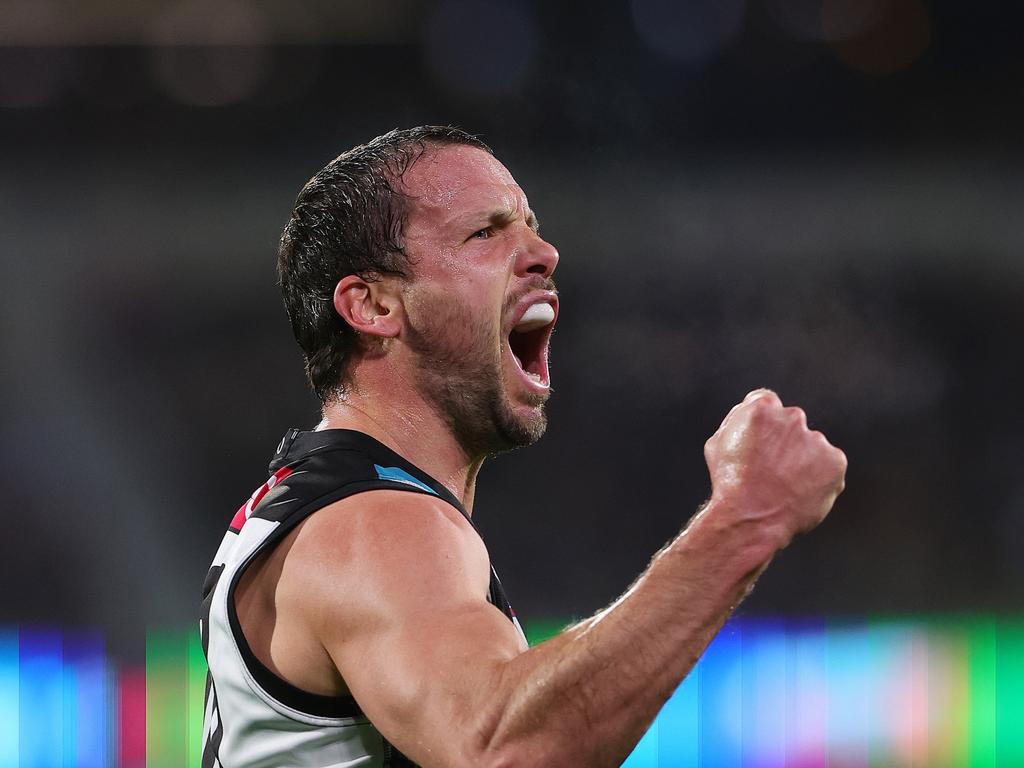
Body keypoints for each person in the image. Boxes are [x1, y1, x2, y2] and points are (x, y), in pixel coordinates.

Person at [199, 125, 847, 768]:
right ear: (372, 306)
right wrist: (747, 516)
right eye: (486, 231)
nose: (544, 252)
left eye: (530, 225)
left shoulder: (324, 504)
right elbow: (508, 751)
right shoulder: (373, 524)